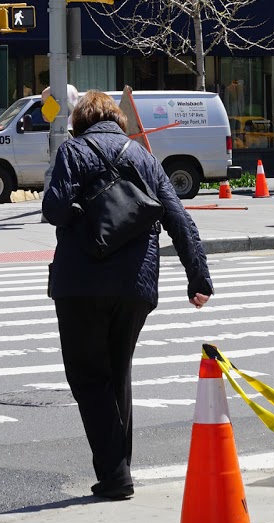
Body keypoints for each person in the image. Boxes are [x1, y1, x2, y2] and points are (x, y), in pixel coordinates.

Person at [43, 90, 214, 501]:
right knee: (118, 373)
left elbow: (55, 209)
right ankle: (119, 469)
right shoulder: (144, 158)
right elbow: (179, 218)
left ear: (80, 122)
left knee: (88, 377)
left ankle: (116, 475)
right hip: (136, 286)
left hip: (81, 284)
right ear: (117, 120)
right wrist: (198, 277)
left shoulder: (73, 151)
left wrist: (83, 212)